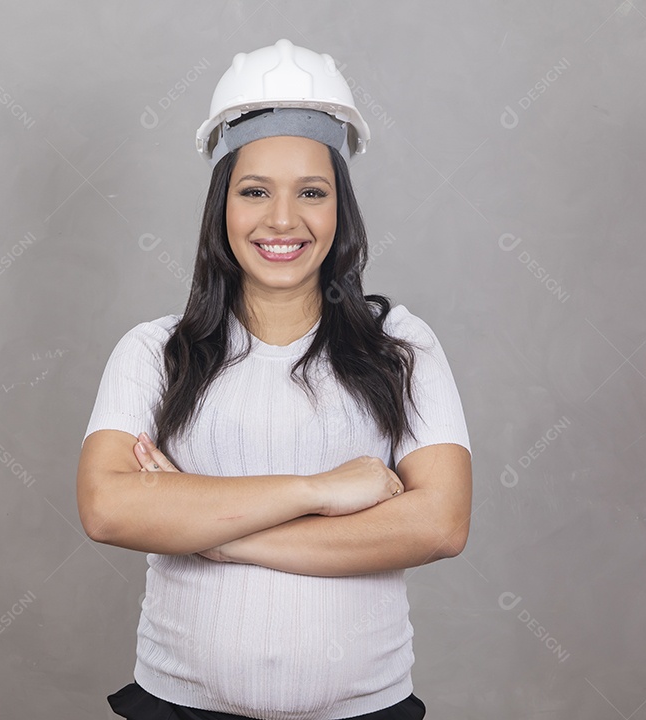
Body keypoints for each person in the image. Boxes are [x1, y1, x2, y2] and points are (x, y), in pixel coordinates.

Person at [77, 38, 473, 720]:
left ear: (339, 209)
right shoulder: (153, 352)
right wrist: (319, 491)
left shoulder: (401, 346)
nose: (282, 220)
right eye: (254, 191)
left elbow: (439, 523)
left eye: (311, 193)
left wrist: (210, 530)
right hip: (178, 706)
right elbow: (108, 509)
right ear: (221, 207)